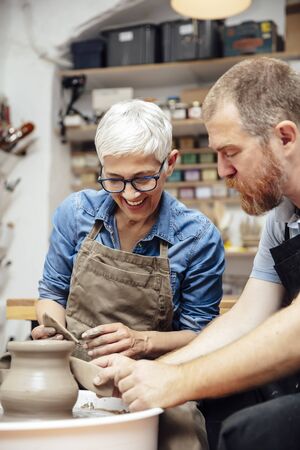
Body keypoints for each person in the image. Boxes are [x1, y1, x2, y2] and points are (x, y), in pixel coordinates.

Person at [93, 57, 300, 450]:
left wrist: (179, 380)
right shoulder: (284, 217)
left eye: (231, 152)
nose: (223, 170)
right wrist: (145, 374)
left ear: (285, 137)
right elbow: (246, 317)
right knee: (216, 406)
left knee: (257, 431)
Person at [32, 99, 224, 450]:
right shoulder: (75, 213)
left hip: (154, 379)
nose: (130, 195)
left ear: (170, 164)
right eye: (115, 180)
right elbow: (52, 293)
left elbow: (202, 335)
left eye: (143, 179)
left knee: (180, 433)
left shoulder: (197, 237)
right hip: (71, 372)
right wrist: (51, 330)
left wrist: (143, 341)